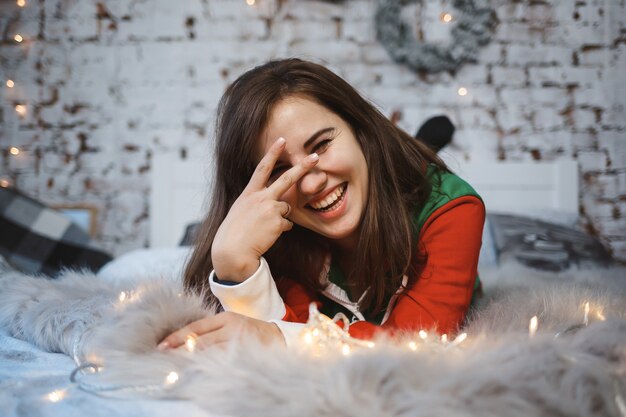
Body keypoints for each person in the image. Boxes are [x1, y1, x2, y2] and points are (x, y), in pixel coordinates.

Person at [158, 59, 485, 350]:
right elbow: (274, 335)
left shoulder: (450, 206)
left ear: (361, 130)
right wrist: (236, 268)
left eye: (322, 145)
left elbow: (413, 348)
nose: (312, 183)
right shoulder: (281, 237)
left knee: (406, 175)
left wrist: (277, 339)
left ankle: (421, 143)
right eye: (281, 170)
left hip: (411, 196)